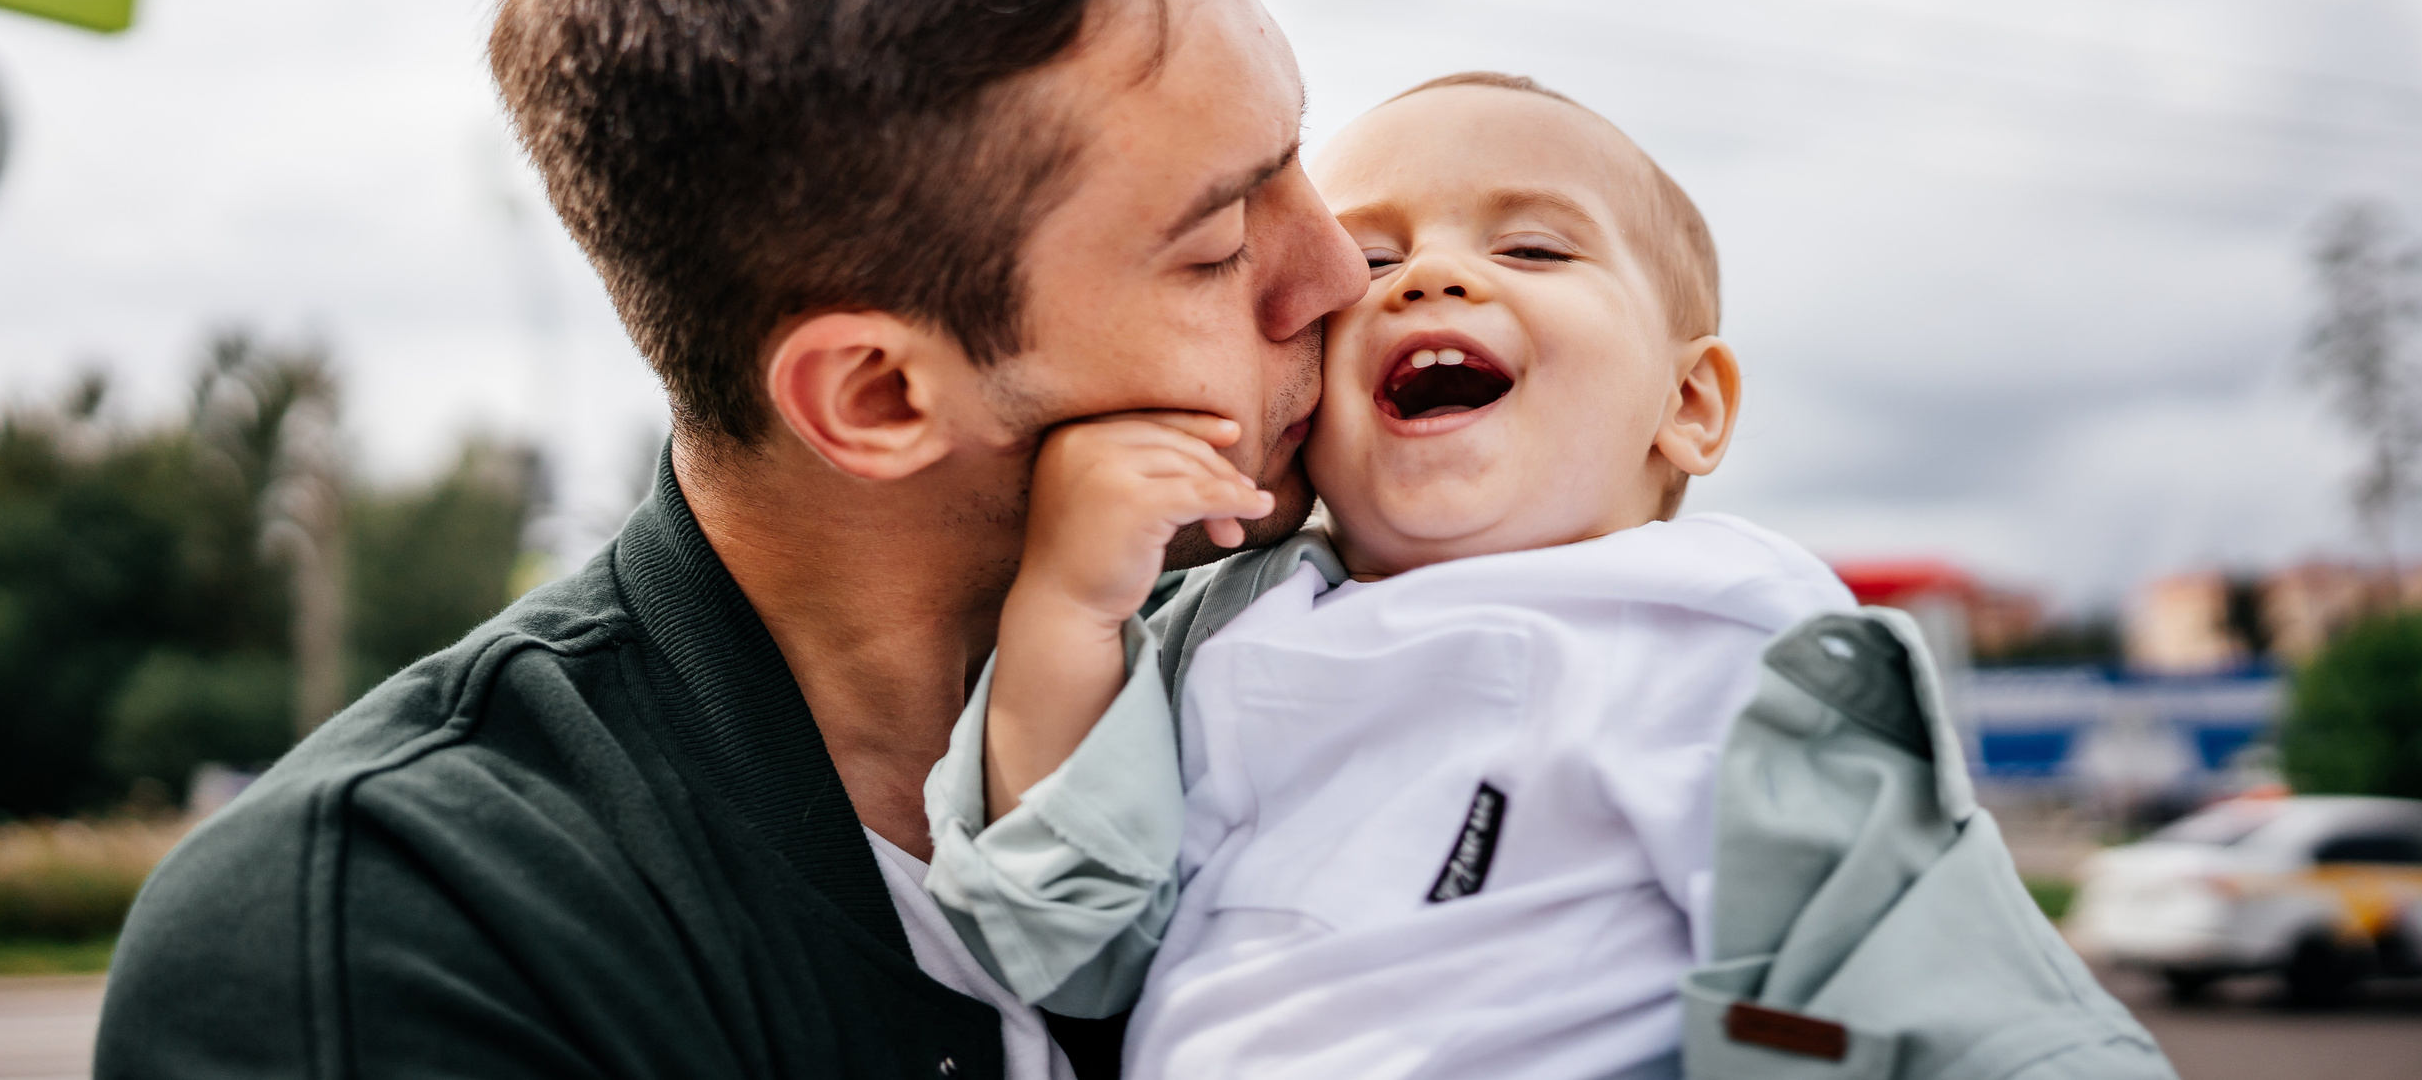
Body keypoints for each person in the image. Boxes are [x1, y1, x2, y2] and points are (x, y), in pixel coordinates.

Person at [95, 0, 1369, 1080]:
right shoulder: (394, 933)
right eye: (1218, 240)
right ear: (877, 395)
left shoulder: (1330, 665)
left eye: (1299, 156)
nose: (1341, 271)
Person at [923, 75, 2174, 1079]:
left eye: (1531, 246)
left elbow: (1951, 1000)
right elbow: (1060, 933)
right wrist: (1069, 602)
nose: (1433, 276)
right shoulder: (1231, 634)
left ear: (1687, 404)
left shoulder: (1720, 640)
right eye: (1371, 263)